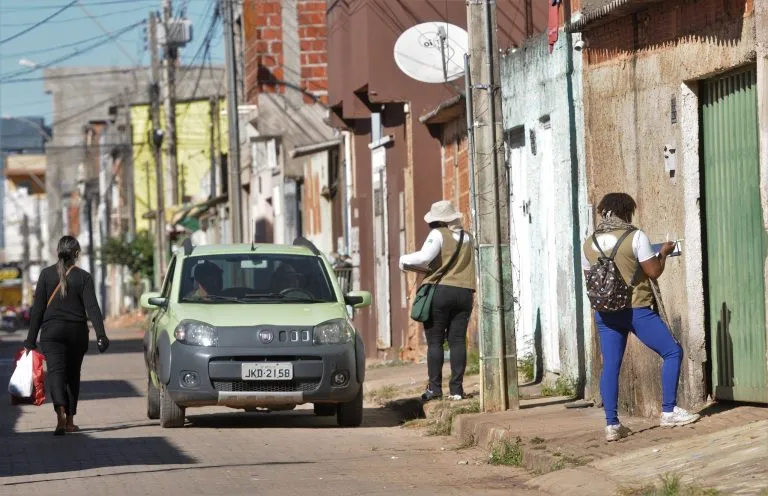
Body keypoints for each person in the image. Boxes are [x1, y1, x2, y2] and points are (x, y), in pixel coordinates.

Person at [582, 193, 700, 442]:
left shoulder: (588, 242)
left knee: (611, 366)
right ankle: (668, 411)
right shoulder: (635, 236)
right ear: (627, 211)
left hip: (605, 313)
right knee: (672, 352)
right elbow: (653, 271)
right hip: (636, 309)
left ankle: (612, 424)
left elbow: (590, 279)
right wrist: (664, 252)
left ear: (604, 212)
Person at [24, 236, 110, 436]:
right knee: (72, 376)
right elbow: (93, 308)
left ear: (57, 252)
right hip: (76, 333)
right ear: (77, 253)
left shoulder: (45, 275)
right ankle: (70, 421)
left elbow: (37, 311)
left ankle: (60, 416)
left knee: (56, 374)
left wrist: (30, 341)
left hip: (51, 333)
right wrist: (101, 335)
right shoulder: (84, 277)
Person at [399, 201, 476, 401]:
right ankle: (457, 390)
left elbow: (424, 258)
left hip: (441, 292)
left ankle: (435, 388)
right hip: (465, 293)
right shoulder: (468, 238)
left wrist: (403, 259)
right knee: (458, 341)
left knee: (435, 342)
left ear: (440, 220)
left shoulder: (438, 234)